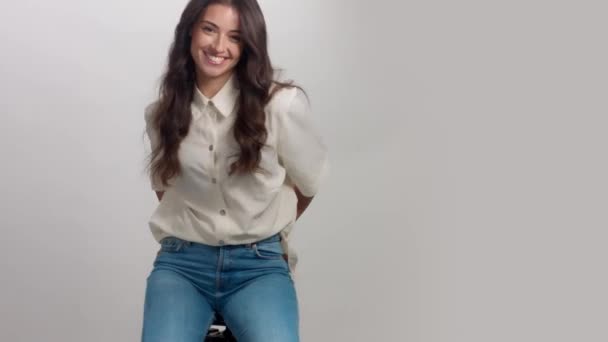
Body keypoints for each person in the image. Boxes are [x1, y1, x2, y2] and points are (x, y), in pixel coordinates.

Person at [141, 0, 329, 341]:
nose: (218, 46)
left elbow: (308, 183)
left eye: (235, 37)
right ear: (190, 31)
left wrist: (260, 224)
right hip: (183, 265)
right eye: (209, 29)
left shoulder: (280, 106)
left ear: (248, 46)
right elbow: (166, 188)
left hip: (259, 266)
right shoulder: (162, 114)